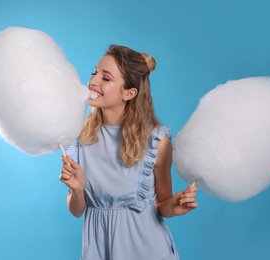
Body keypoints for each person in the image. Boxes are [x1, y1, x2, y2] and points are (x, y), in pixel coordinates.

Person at [59, 44, 198, 260]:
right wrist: (77, 191)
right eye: (94, 73)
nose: (93, 81)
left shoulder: (157, 142)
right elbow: (77, 211)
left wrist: (174, 205)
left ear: (129, 93)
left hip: (147, 250)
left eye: (106, 78)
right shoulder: (78, 138)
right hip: (98, 250)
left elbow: (162, 204)